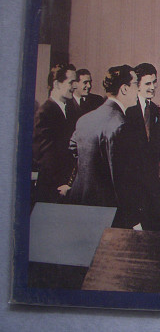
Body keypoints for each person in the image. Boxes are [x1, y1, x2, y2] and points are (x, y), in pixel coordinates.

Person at [69, 65, 143, 228]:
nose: (138, 90)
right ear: (124, 89)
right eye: (136, 84)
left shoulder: (85, 119)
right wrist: (134, 220)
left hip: (80, 209)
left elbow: (74, 151)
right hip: (109, 216)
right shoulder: (121, 125)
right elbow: (122, 179)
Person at [33, 63, 77, 203]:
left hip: (67, 187)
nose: (75, 86)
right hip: (53, 189)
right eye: (71, 82)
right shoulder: (44, 113)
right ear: (57, 84)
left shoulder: (71, 110)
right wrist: (61, 184)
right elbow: (46, 156)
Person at [125, 63, 160, 201]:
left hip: (151, 178)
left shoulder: (155, 109)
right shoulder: (128, 109)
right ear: (138, 86)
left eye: (154, 82)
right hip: (132, 178)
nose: (152, 87)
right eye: (147, 83)